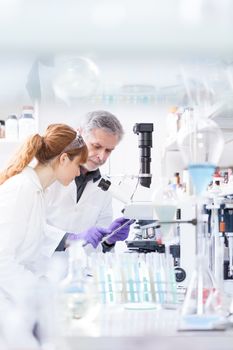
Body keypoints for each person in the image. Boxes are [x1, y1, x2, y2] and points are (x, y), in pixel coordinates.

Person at [45, 110, 132, 252]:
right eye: (96, 146)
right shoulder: (50, 174)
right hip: (41, 271)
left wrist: (109, 240)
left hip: (82, 272)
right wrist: (69, 239)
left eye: (109, 150)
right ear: (79, 135)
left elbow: (99, 249)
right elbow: (29, 229)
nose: (102, 157)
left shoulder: (104, 187)